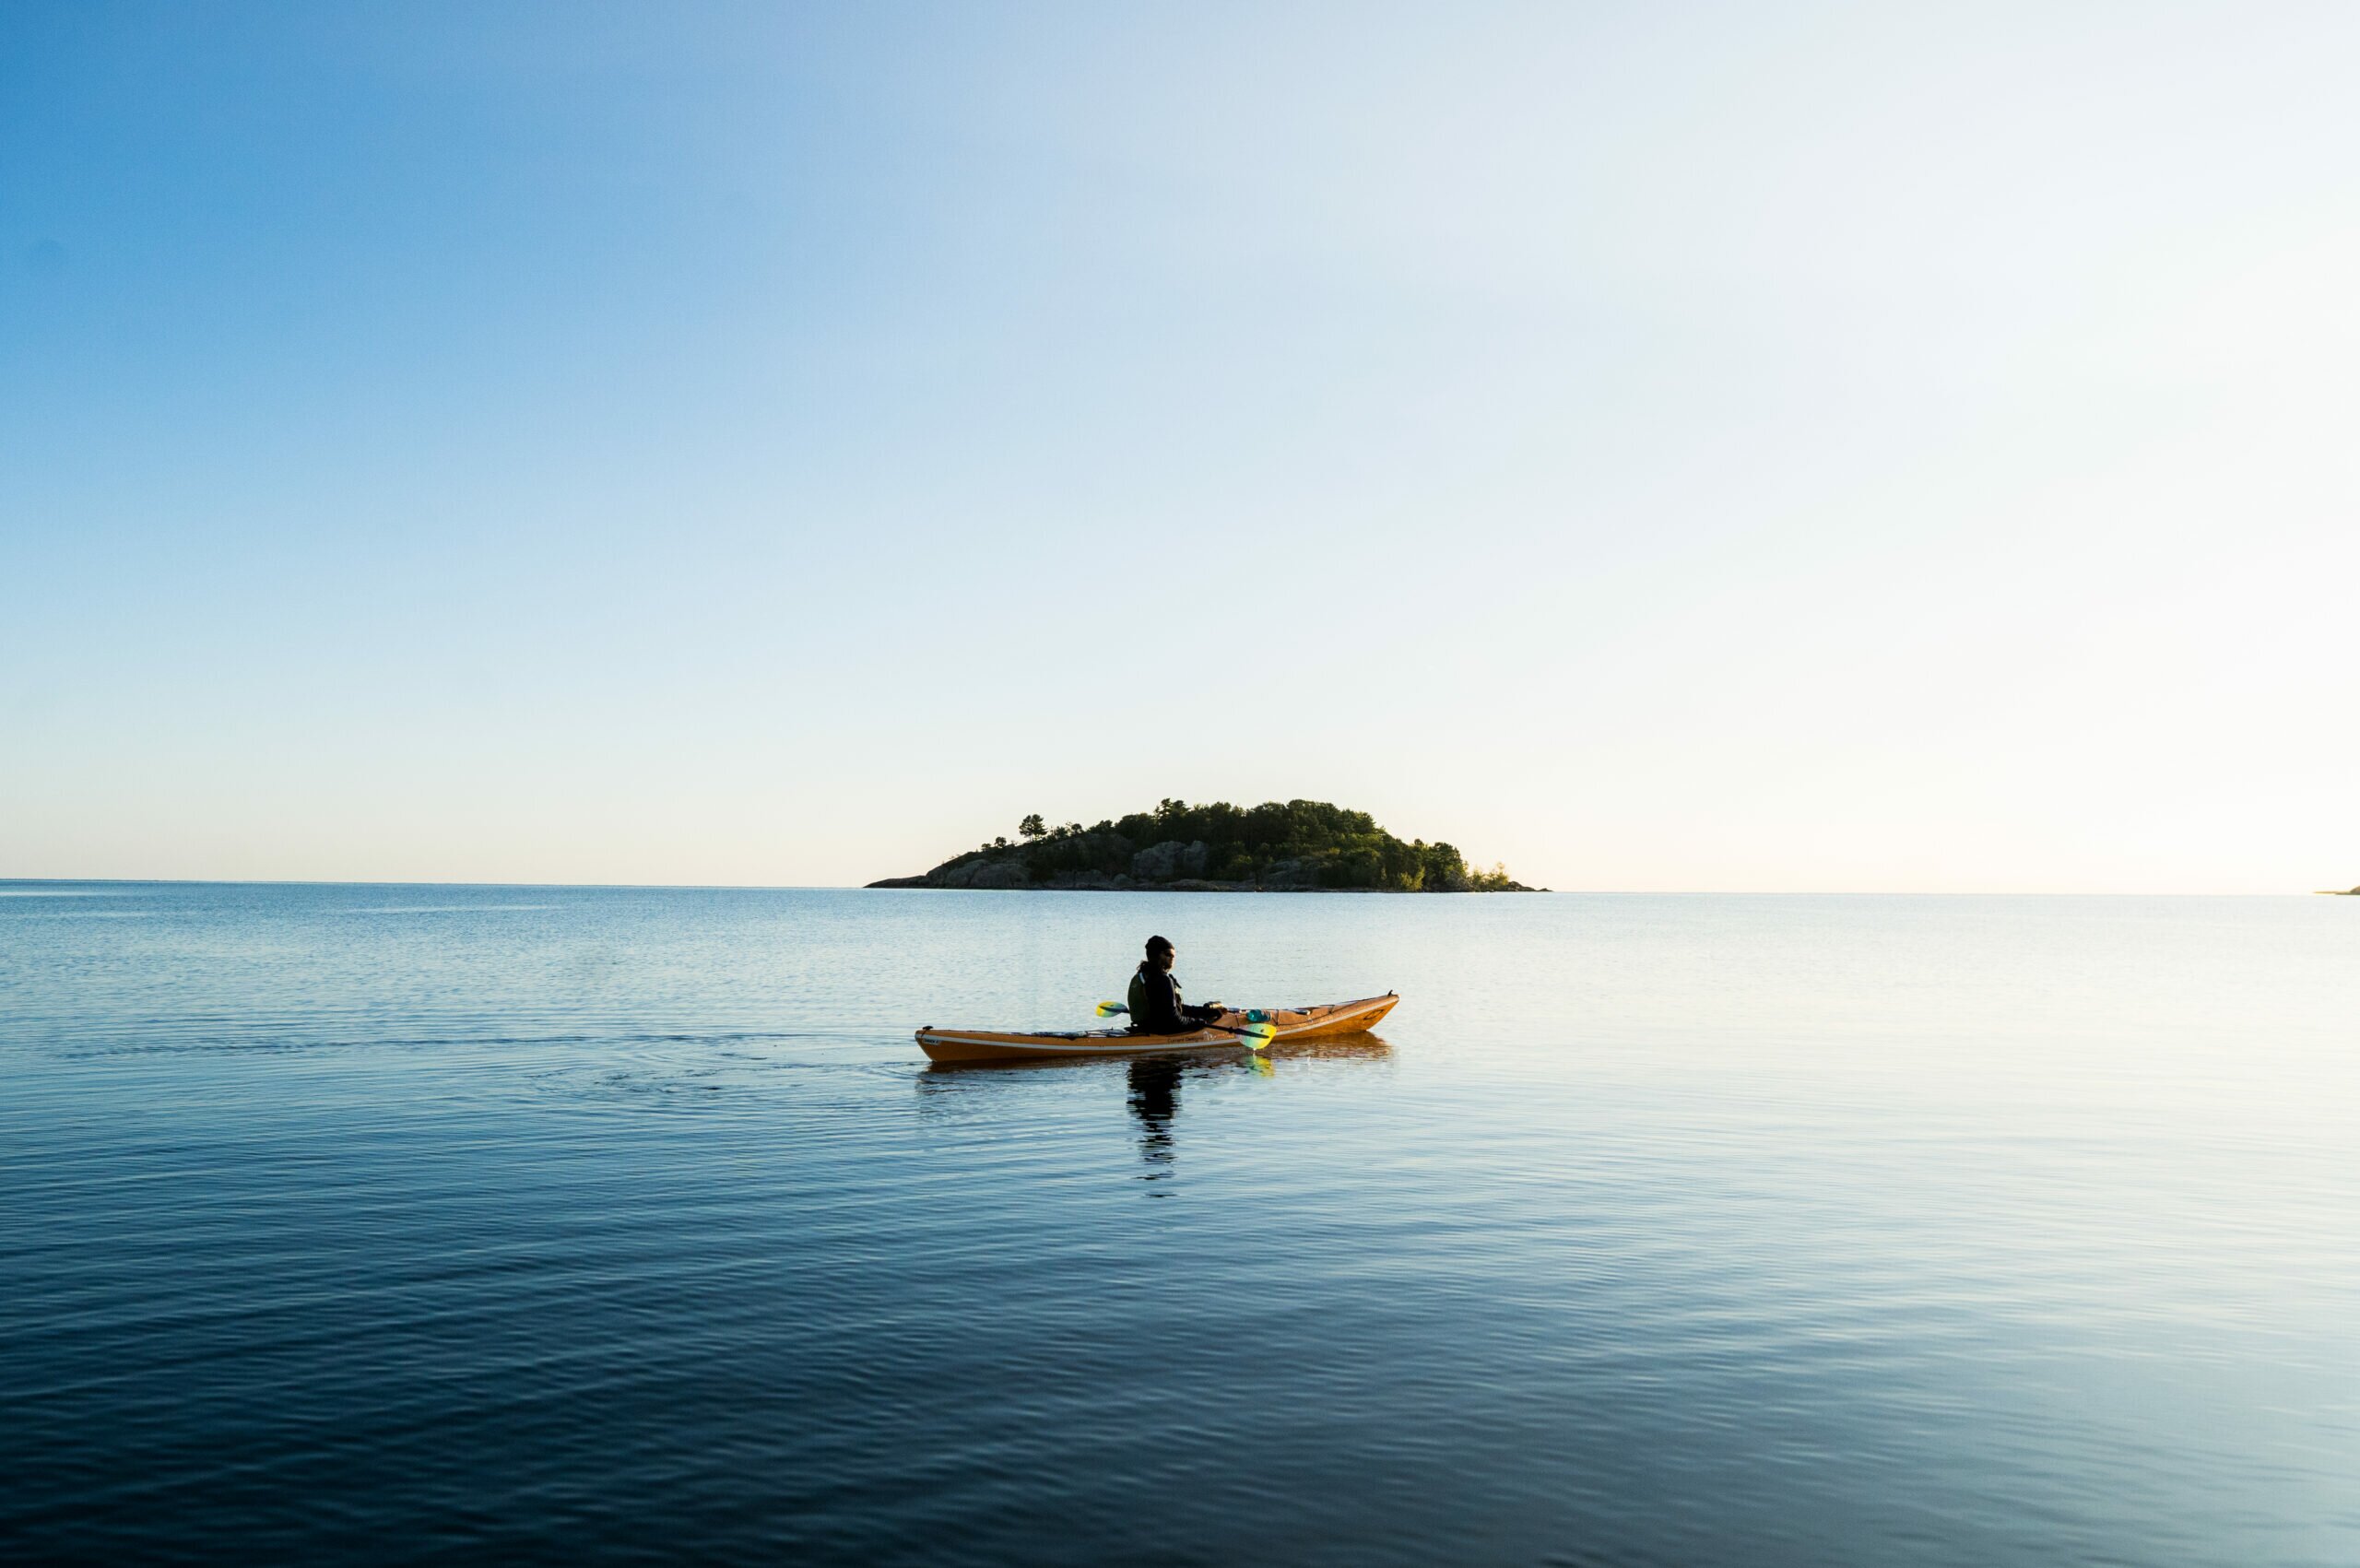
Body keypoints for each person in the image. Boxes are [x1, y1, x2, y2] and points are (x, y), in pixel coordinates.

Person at [1126, 935, 1224, 1034]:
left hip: (1144, 1027)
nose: (1172, 958)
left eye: (1174, 956)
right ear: (1157, 955)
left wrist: (1204, 1011)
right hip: (1162, 1031)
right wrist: (1200, 1022)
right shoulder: (1163, 980)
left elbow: (1173, 1009)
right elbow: (1174, 1020)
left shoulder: (1142, 976)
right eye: (1168, 954)